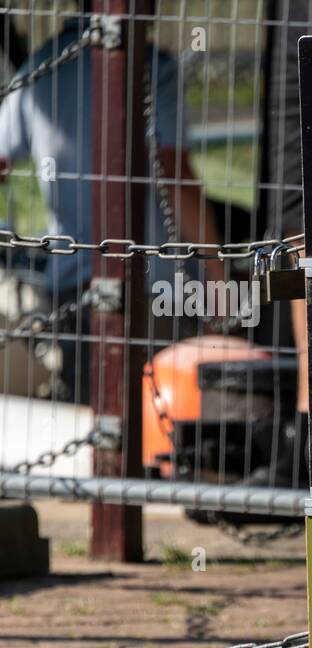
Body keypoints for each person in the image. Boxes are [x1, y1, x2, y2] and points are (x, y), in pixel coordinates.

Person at [0, 12, 222, 402]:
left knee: (88, 413)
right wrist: (219, 277)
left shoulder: (42, 65)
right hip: (151, 290)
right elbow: (174, 176)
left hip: (70, 286)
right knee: (158, 422)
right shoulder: (151, 65)